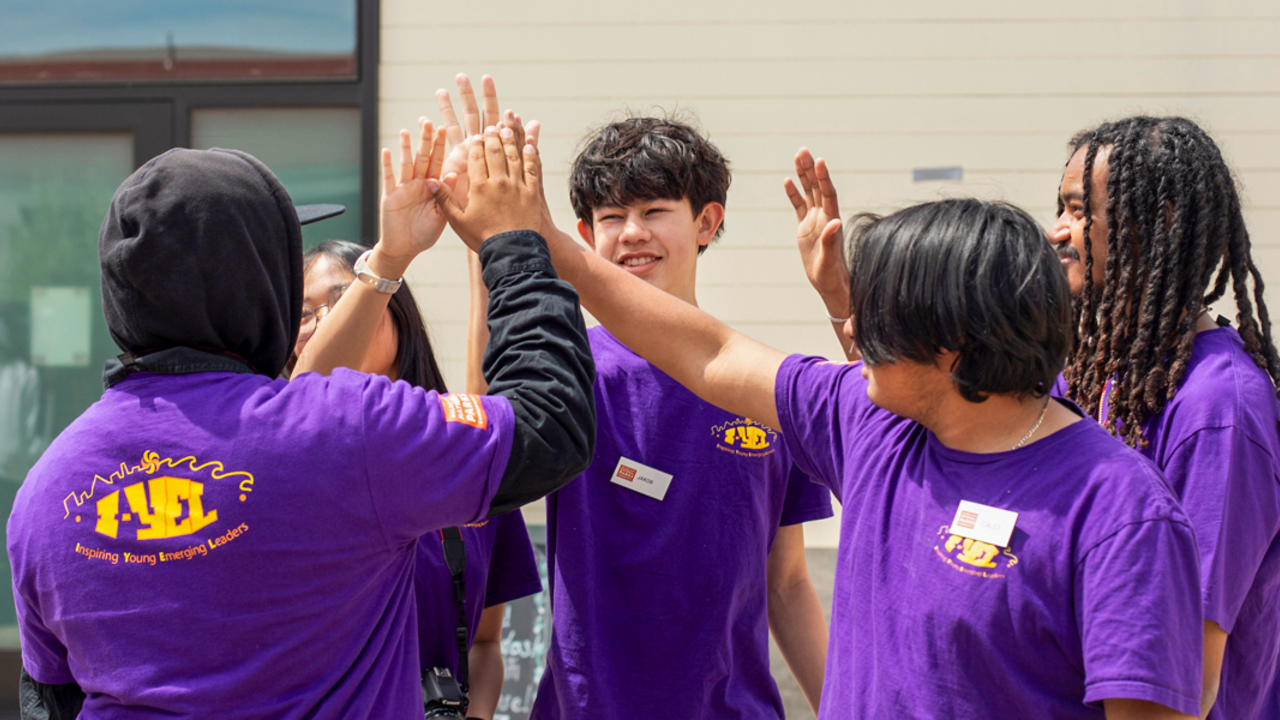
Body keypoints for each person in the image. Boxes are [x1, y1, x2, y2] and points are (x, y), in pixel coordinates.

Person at [430, 125, 1206, 719]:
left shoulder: (1120, 509)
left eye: (879, 313)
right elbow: (709, 352)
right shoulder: (871, 426)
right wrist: (531, 243)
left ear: (953, 339)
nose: (853, 328)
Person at [8, 112, 594, 719]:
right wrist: (515, 245)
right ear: (261, 289)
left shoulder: (42, 492)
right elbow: (551, 425)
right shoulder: (343, 431)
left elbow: (50, 698)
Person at [441, 76, 833, 718]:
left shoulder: (763, 384)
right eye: (611, 218)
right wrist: (493, 247)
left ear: (708, 221)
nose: (631, 234)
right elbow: (488, 443)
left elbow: (788, 581)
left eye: (654, 212)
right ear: (582, 233)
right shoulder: (572, 367)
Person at [1049, 116, 1280, 720]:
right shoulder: (1093, 369)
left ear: (1161, 224)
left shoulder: (1218, 409)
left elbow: (1190, 673)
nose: (1057, 232)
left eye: (1079, 213)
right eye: (1060, 209)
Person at [293, 240, 543, 720]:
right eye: (304, 314)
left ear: (397, 309)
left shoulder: (469, 462)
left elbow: (486, 641)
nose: (327, 322)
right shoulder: (281, 469)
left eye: (345, 299)